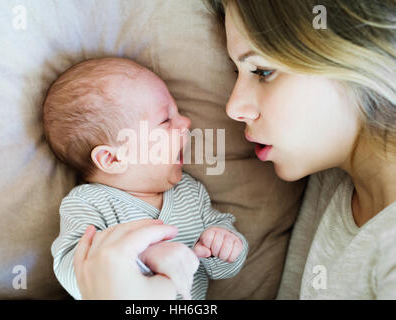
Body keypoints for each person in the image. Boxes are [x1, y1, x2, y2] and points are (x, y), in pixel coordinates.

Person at [74, 0, 396, 299]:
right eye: (237, 73)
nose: (233, 108)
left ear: (357, 50)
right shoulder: (332, 182)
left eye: (262, 72)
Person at [43, 57, 248, 300]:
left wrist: (223, 245)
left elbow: (223, 268)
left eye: (178, 113)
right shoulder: (89, 204)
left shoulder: (190, 193)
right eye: (166, 120)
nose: (186, 122)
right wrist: (138, 259)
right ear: (113, 159)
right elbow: (71, 269)